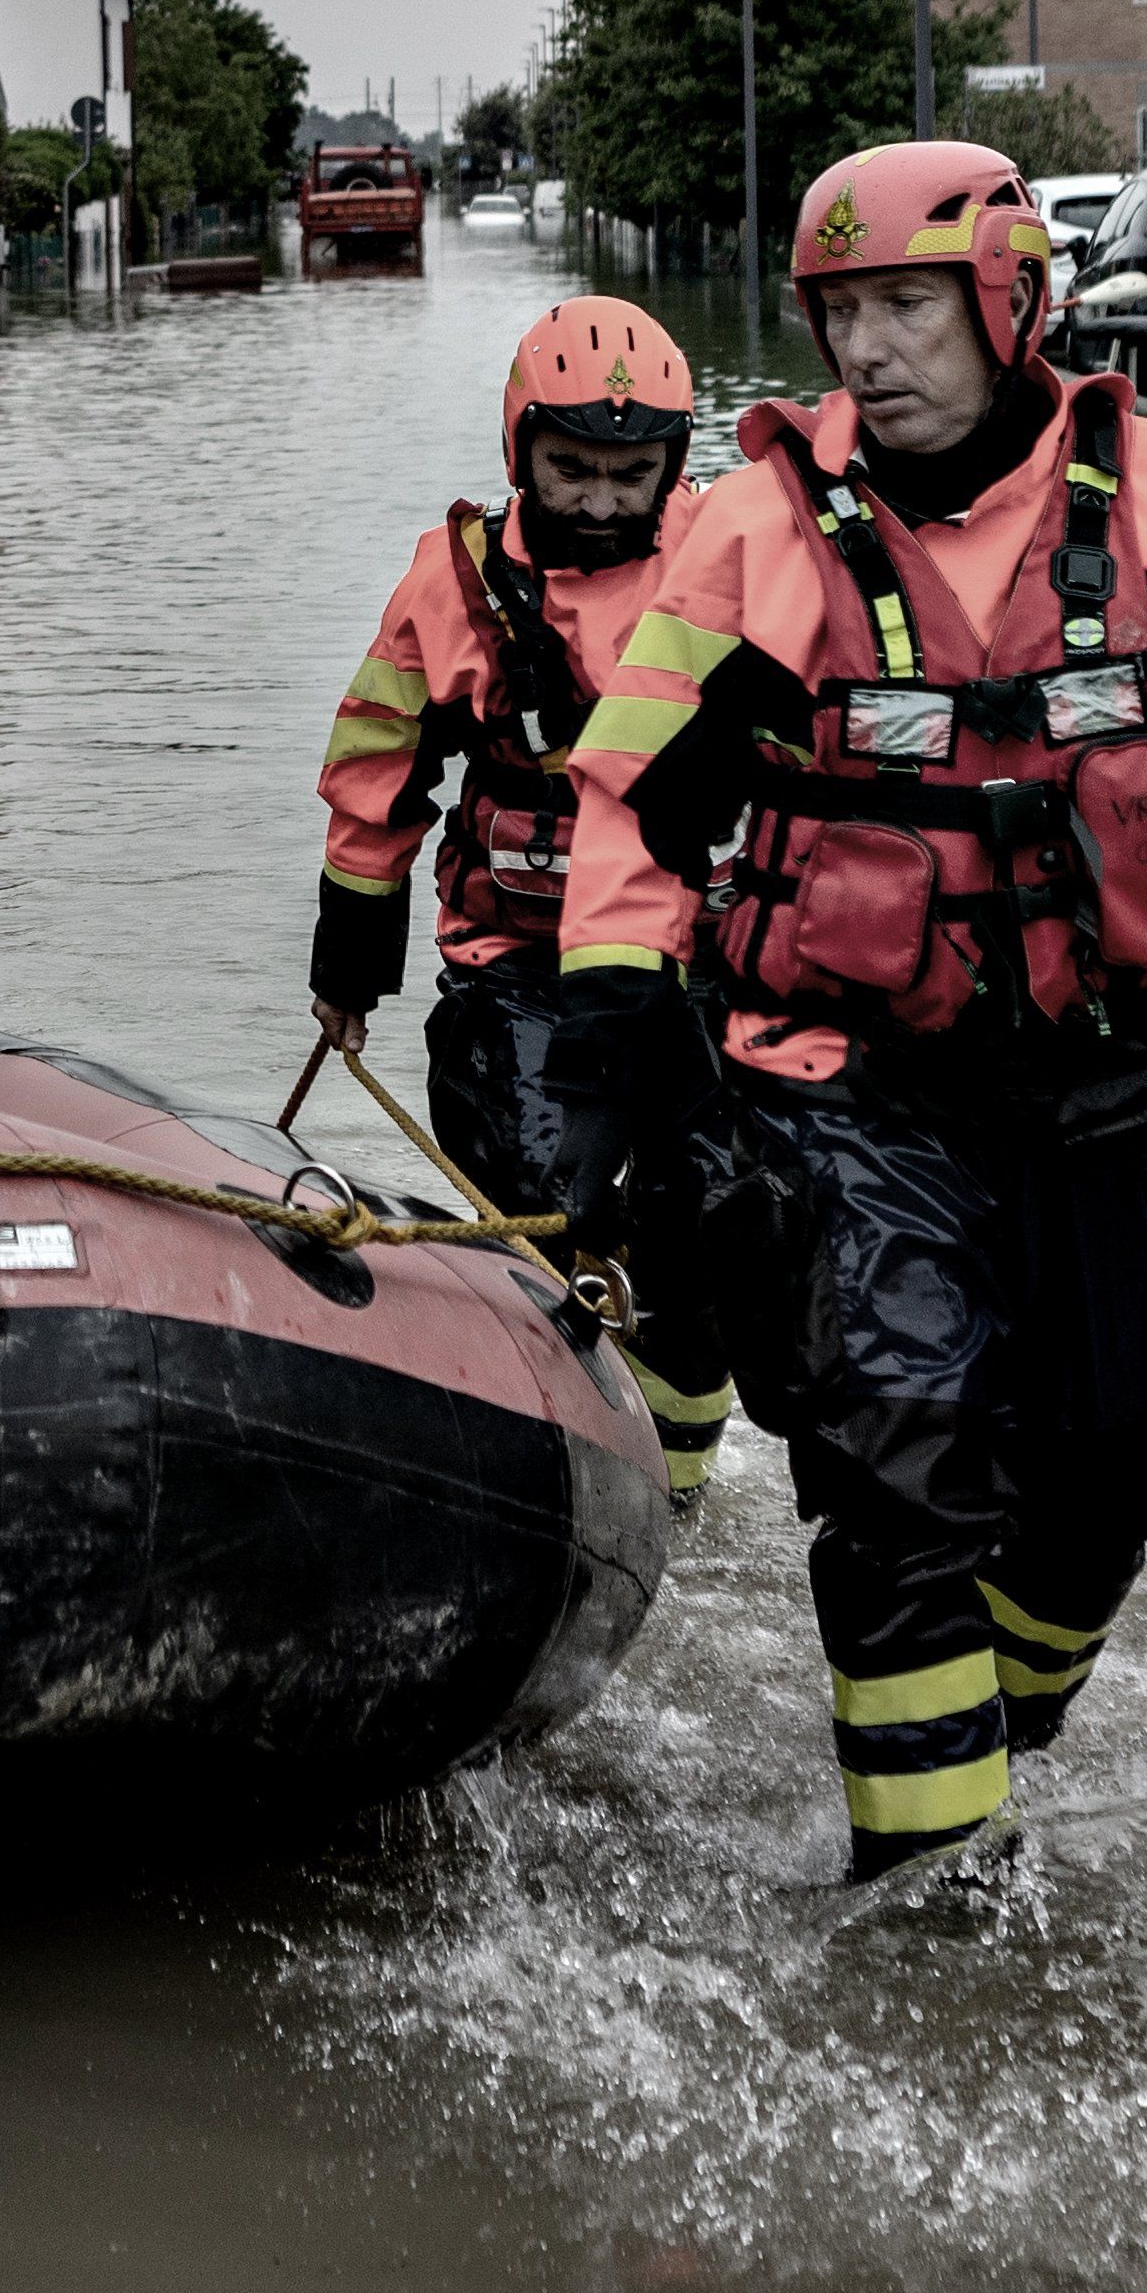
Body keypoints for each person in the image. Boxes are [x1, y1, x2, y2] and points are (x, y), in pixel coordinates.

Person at [558, 140, 1147, 1881]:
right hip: (833, 1084)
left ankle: (975, 1741)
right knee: (901, 1465)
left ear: (1009, 302)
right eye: (839, 310)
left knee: (1093, 1503)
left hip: (1103, 1087)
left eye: (907, 305)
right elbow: (635, 809)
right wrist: (627, 1063)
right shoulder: (755, 529)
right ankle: (930, 1918)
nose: (866, 349)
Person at [308, 298, 744, 1510]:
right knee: (551, 1202)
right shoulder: (453, 585)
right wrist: (349, 973)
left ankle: (677, 1494)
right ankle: (561, 1445)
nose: (602, 500)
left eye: (630, 474)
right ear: (519, 449)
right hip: (520, 961)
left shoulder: (736, 559)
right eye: (572, 471)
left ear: (675, 461)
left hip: (693, 964)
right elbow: (376, 771)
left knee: (713, 1220)